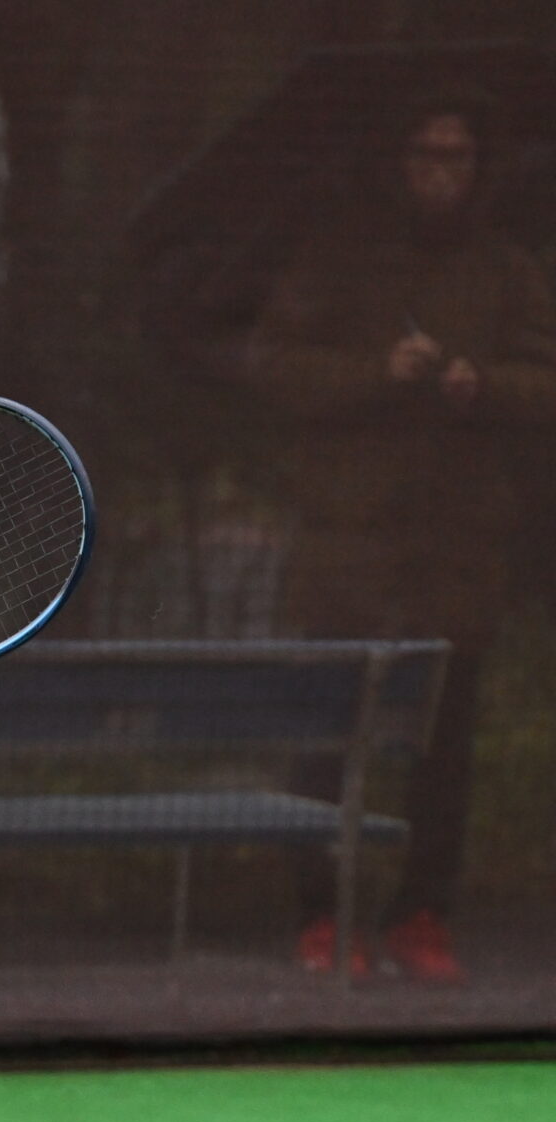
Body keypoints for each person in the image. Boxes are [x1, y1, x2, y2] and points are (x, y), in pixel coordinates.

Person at [248, 100, 556, 981]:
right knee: (327, 738)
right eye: (426, 153)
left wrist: (482, 384)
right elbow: (276, 368)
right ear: (396, 160)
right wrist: (374, 373)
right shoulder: (336, 258)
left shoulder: (506, 269)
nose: (441, 173)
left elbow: (545, 379)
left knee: (442, 747)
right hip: (349, 546)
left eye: (459, 156)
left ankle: (422, 914)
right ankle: (322, 915)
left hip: (457, 550)